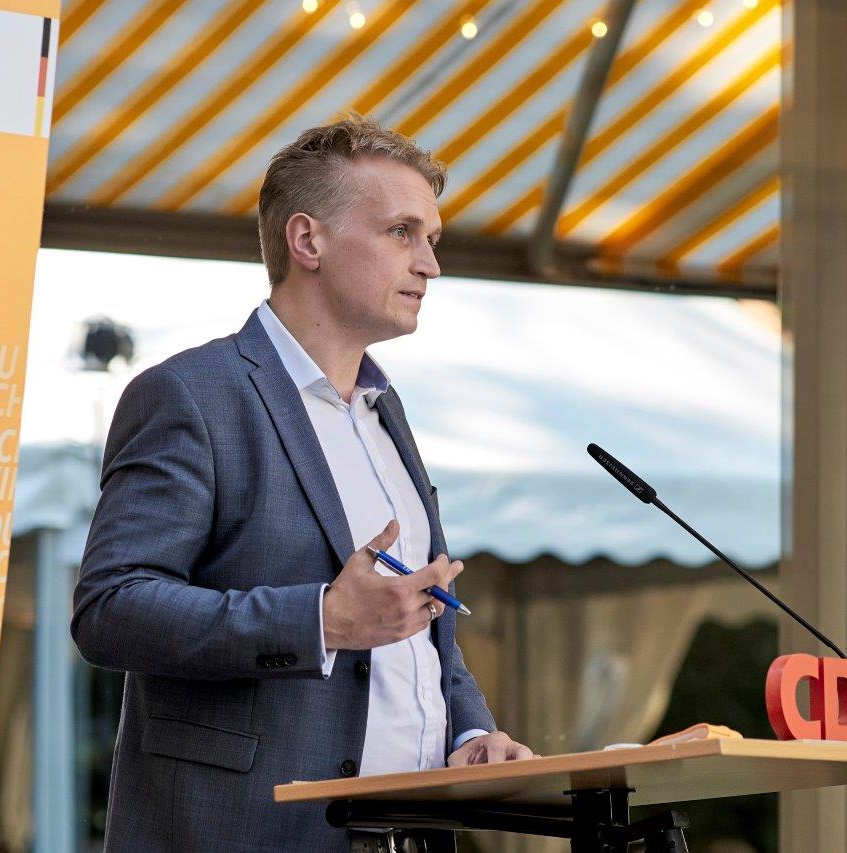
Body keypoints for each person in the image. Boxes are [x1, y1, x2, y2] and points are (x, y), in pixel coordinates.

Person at [72, 116, 533, 852]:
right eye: (402, 232)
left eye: (432, 239)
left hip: (410, 833)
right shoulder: (193, 395)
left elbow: (421, 627)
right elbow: (111, 608)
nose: (430, 265)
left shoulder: (387, 413)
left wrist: (470, 731)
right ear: (307, 241)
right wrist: (319, 620)